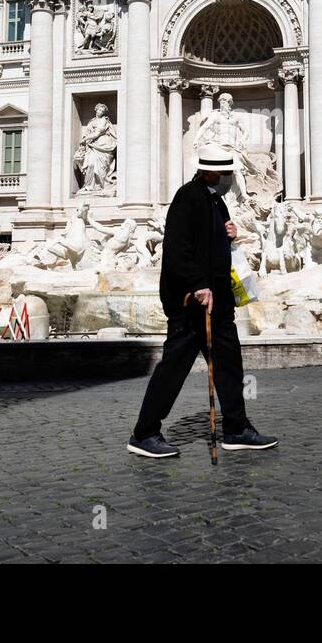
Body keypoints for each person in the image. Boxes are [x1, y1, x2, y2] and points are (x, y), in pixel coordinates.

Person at [127, 146, 279, 458]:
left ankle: (236, 428)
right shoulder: (188, 197)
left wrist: (230, 235)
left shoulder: (216, 202)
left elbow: (210, 245)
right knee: (173, 368)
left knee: (229, 364)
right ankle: (143, 433)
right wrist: (197, 285)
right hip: (191, 305)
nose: (228, 179)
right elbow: (176, 249)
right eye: (225, 174)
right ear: (209, 172)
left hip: (219, 304)